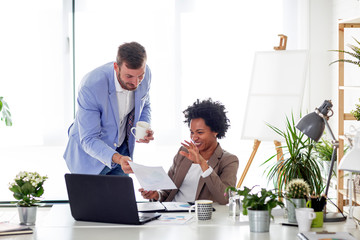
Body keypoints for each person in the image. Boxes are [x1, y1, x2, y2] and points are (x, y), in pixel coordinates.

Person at [63, 42, 154, 175]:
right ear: (116, 67)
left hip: (123, 151)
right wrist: (118, 158)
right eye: (129, 76)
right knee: (92, 196)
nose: (135, 83)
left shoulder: (146, 75)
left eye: (140, 76)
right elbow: (89, 139)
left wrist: (144, 127)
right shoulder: (91, 86)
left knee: (122, 195)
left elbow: (145, 103)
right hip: (89, 157)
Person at [140, 98, 239, 205]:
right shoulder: (183, 152)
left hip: (200, 216)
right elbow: (168, 191)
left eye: (200, 132)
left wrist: (202, 164)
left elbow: (225, 198)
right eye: (192, 132)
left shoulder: (228, 160)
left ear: (215, 131)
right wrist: (156, 195)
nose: (194, 138)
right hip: (173, 214)